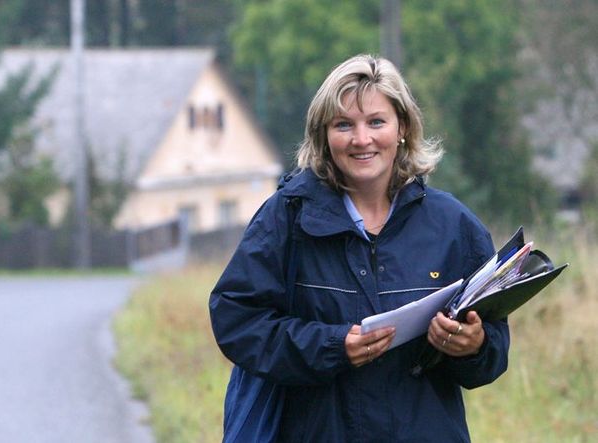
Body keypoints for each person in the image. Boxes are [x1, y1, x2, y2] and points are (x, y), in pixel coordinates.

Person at [209, 54, 509, 442]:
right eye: (343, 124)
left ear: (402, 127)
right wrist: (333, 347)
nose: (361, 139)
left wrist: (474, 346)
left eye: (376, 122)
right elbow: (237, 320)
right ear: (324, 135)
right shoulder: (286, 218)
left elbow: (492, 351)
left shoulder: (453, 225)